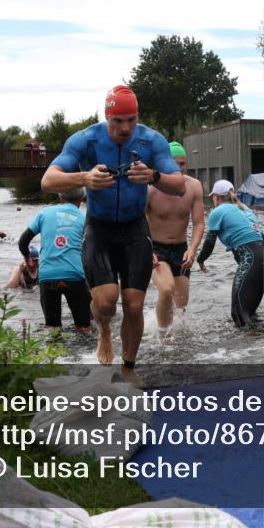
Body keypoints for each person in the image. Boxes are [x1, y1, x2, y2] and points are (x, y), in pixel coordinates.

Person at [40, 85, 184, 370]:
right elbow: (48, 181)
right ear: (107, 117)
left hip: (134, 229)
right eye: (118, 121)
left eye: (131, 119)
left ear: (137, 116)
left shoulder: (152, 141)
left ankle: (129, 368)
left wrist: (154, 176)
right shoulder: (86, 140)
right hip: (99, 229)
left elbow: (179, 185)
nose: (126, 128)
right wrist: (85, 177)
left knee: (133, 305)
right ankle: (104, 330)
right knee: (106, 304)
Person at [196, 180, 264, 328]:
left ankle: (249, 348)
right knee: (250, 313)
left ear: (217, 197)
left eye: (213, 197)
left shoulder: (217, 212)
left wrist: (200, 260)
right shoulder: (245, 209)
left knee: (239, 314)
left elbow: (209, 241)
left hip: (252, 260)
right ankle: (263, 344)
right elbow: (262, 238)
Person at [146, 141, 205, 336]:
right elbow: (137, 222)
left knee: (181, 307)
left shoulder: (194, 187)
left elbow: (198, 223)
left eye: (182, 164)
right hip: (156, 249)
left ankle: (178, 341)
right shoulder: (149, 188)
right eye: (174, 164)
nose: (178, 168)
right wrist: (146, 249)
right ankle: (163, 339)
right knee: (166, 290)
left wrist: (193, 249)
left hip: (181, 249)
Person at [17, 188, 91, 331]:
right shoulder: (84, 219)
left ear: (59, 196)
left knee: (52, 328)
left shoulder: (44, 214)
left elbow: (22, 242)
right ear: (82, 197)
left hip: (47, 276)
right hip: (74, 275)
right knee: (84, 327)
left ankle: (54, 352)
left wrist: (27, 258)